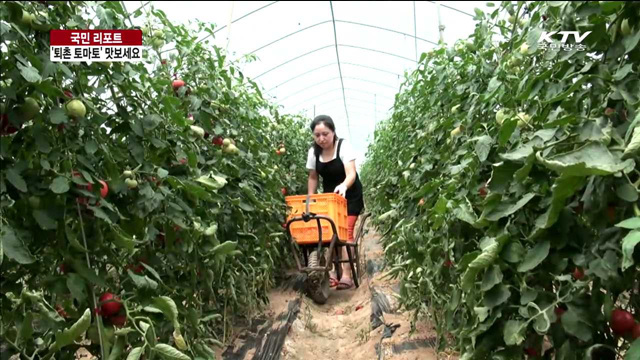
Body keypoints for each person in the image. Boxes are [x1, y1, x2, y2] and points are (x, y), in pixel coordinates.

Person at [306, 115, 365, 290]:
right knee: (329, 234)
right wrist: (310, 199)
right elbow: (313, 177)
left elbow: (351, 174)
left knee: (345, 232)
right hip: (330, 199)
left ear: (333, 132)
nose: (321, 139)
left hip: (350, 195)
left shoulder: (343, 146)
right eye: (317, 135)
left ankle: (346, 274)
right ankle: (331, 272)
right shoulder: (313, 152)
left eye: (325, 134)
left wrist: (344, 186)